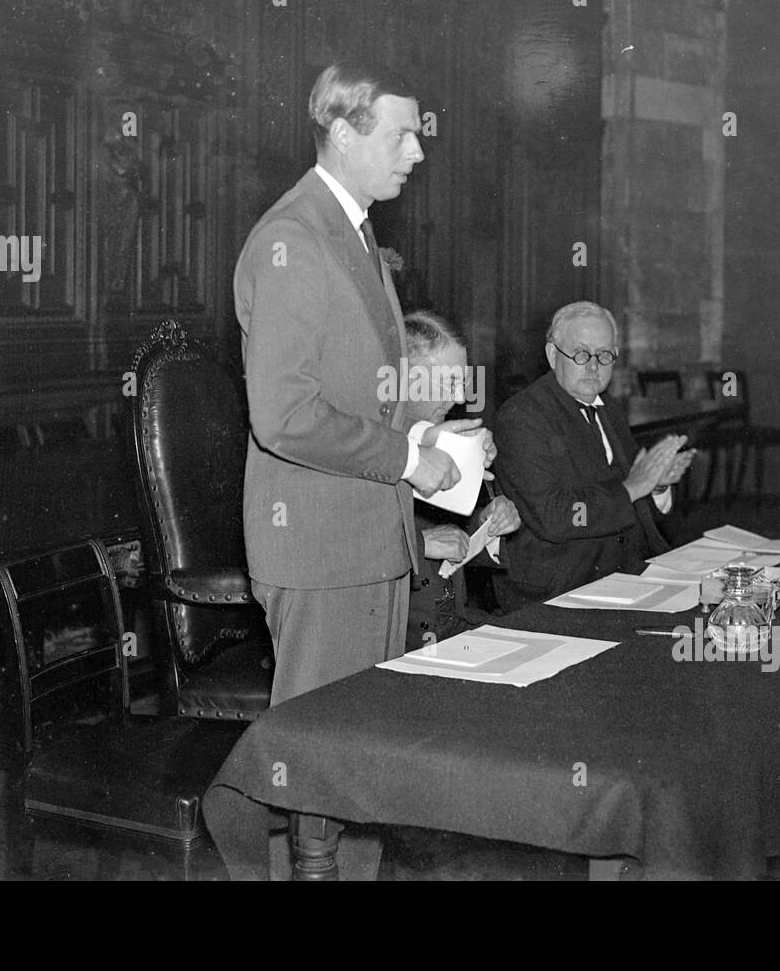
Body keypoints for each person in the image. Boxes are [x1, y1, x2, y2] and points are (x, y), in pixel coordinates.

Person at [234, 60, 493, 705]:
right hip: (322, 551)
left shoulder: (355, 234)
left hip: (369, 542)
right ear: (345, 134)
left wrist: (431, 434)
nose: (418, 150)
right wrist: (410, 459)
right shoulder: (291, 240)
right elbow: (285, 417)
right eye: (400, 135)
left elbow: (361, 391)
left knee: (356, 754)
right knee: (322, 762)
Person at [492, 301, 695, 611]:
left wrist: (655, 485)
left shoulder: (607, 408)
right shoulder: (522, 417)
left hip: (621, 574)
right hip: (558, 589)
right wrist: (633, 487)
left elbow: (627, 500)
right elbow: (555, 516)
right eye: (581, 354)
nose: (593, 367)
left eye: (604, 355)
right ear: (552, 355)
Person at [400, 311, 521, 652]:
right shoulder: (371, 446)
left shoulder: (448, 438)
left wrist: (488, 525)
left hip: (452, 627)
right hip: (397, 641)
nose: (459, 399)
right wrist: (421, 543)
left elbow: (453, 542)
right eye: (448, 384)